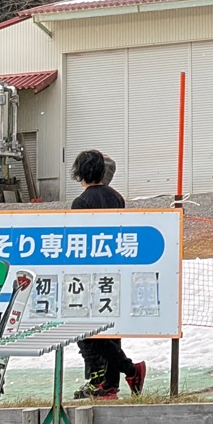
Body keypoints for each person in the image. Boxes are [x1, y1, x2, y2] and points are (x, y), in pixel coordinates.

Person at [70, 149, 146, 399]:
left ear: (80, 172)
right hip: (115, 271)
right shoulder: (117, 198)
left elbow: (79, 242)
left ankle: (131, 369)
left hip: (91, 274)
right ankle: (110, 384)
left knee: (88, 332)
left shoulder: (80, 203)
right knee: (112, 328)